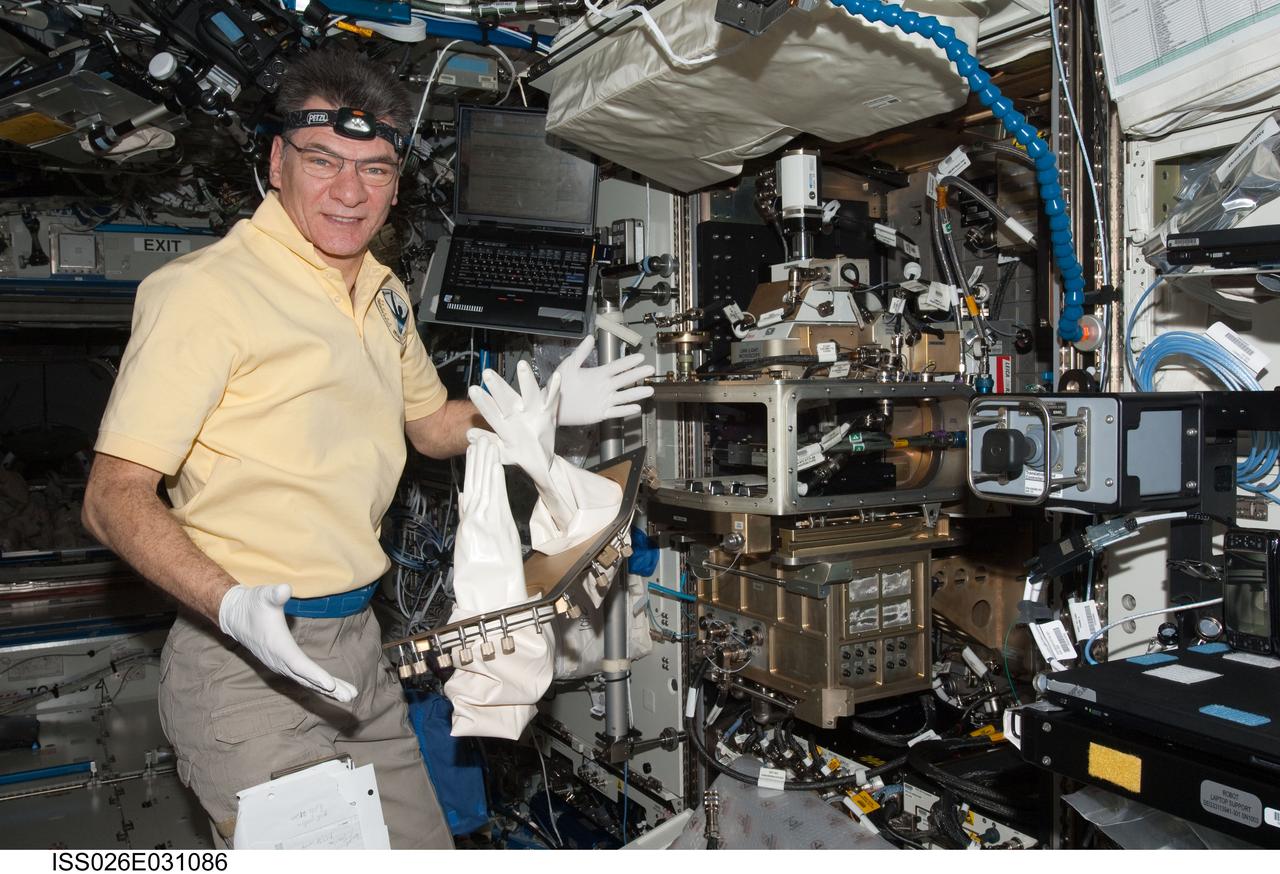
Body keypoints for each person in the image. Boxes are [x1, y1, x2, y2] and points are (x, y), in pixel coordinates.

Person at [81, 46, 653, 849]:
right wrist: (230, 605)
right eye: (323, 161)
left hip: (358, 650)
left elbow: (429, 426)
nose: (350, 193)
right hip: (241, 659)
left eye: (376, 169)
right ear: (278, 163)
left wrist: (541, 413)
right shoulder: (204, 294)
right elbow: (113, 497)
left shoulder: (380, 291)